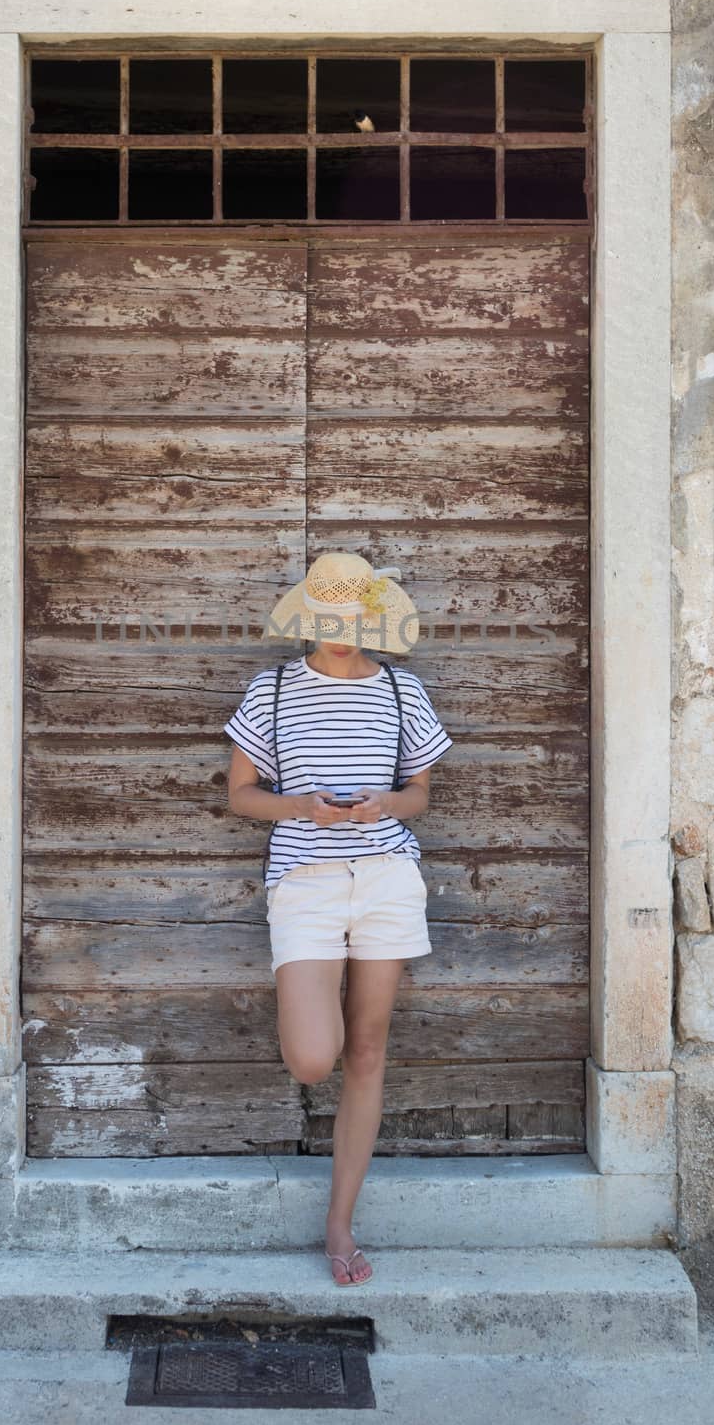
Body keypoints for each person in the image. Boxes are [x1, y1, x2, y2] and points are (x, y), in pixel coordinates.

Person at [224, 551, 453, 1287]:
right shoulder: (274, 690)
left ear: (370, 618)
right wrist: (302, 808)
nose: (340, 633)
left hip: (386, 876)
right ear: (307, 619)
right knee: (312, 1058)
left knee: (366, 1054)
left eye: (352, 620)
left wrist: (383, 804)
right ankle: (335, 1215)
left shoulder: (400, 691)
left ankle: (338, 1223)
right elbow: (241, 795)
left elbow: (418, 794)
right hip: (304, 880)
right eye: (327, 621)